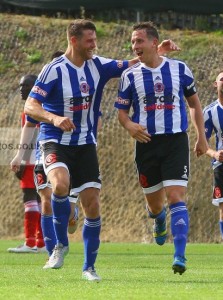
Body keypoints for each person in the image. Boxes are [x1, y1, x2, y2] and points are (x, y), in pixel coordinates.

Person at [24, 19, 180, 281]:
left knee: (93, 205)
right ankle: (60, 247)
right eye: (89, 41)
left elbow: (131, 64)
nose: (94, 45)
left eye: (95, 40)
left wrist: (158, 52)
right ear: (73, 41)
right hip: (55, 141)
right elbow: (30, 106)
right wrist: (54, 119)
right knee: (60, 186)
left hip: (85, 143)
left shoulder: (98, 65)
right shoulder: (53, 70)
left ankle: (89, 268)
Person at [114, 21, 208, 275]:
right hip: (146, 145)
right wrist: (130, 125)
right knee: (156, 206)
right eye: (133, 42)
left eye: (139, 41)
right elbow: (122, 113)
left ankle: (180, 255)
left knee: (176, 196)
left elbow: (194, 104)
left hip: (176, 141)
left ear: (154, 43)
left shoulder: (180, 69)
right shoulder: (130, 75)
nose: (135, 46)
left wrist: (201, 137)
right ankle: (158, 219)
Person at [8, 75, 46, 253]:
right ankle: (41, 242)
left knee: (30, 199)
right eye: (20, 85)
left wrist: (22, 160)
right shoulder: (41, 106)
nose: (22, 89)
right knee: (39, 199)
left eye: (25, 86)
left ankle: (31, 243)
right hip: (41, 157)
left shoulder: (31, 108)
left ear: (34, 87)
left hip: (33, 159)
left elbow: (33, 136)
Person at [203, 71, 223, 239]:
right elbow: (203, 145)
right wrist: (215, 154)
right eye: (222, 79)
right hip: (221, 164)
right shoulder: (210, 112)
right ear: (215, 85)